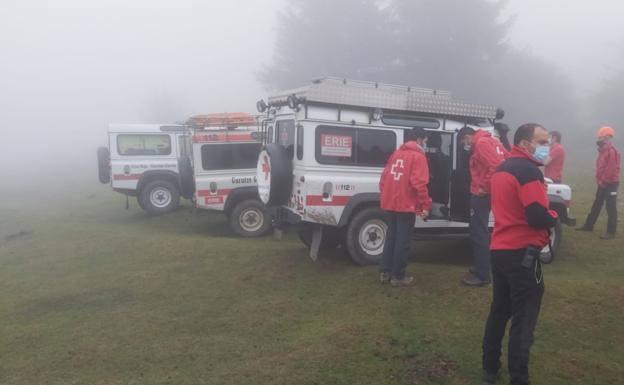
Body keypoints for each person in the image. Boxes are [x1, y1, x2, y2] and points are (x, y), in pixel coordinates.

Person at [482, 123, 558, 385]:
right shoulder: (528, 172)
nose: (546, 146)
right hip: (524, 255)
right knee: (524, 318)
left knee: (499, 311)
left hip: (500, 250)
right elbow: (537, 216)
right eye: (542, 141)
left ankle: (490, 367)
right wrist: (554, 216)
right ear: (525, 143)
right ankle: (519, 377)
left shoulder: (502, 169)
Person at [379, 127, 432, 287]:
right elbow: (419, 184)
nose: (425, 143)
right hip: (405, 204)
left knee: (391, 238)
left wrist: (385, 195)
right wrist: (425, 205)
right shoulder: (418, 157)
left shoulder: (396, 154)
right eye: (425, 140)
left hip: (391, 203)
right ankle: (398, 276)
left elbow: (384, 178)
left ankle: (385, 271)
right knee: (403, 241)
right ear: (419, 139)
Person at [461, 127, 508, 286]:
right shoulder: (492, 141)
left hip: (482, 194)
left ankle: (482, 276)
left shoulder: (480, 143)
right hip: (493, 191)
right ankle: (481, 266)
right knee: (482, 231)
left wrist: (483, 186)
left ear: (468, 136)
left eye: (464, 141)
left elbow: (496, 166)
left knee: (478, 232)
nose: (465, 145)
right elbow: (506, 159)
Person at [577, 126, 621, 239]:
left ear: (607, 137)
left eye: (601, 137)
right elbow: (601, 167)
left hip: (610, 183)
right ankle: (589, 225)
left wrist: (603, 181)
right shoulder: (603, 151)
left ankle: (611, 232)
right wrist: (600, 181)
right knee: (597, 204)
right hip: (603, 182)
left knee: (610, 207)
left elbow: (610, 170)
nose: (599, 139)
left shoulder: (612, 151)